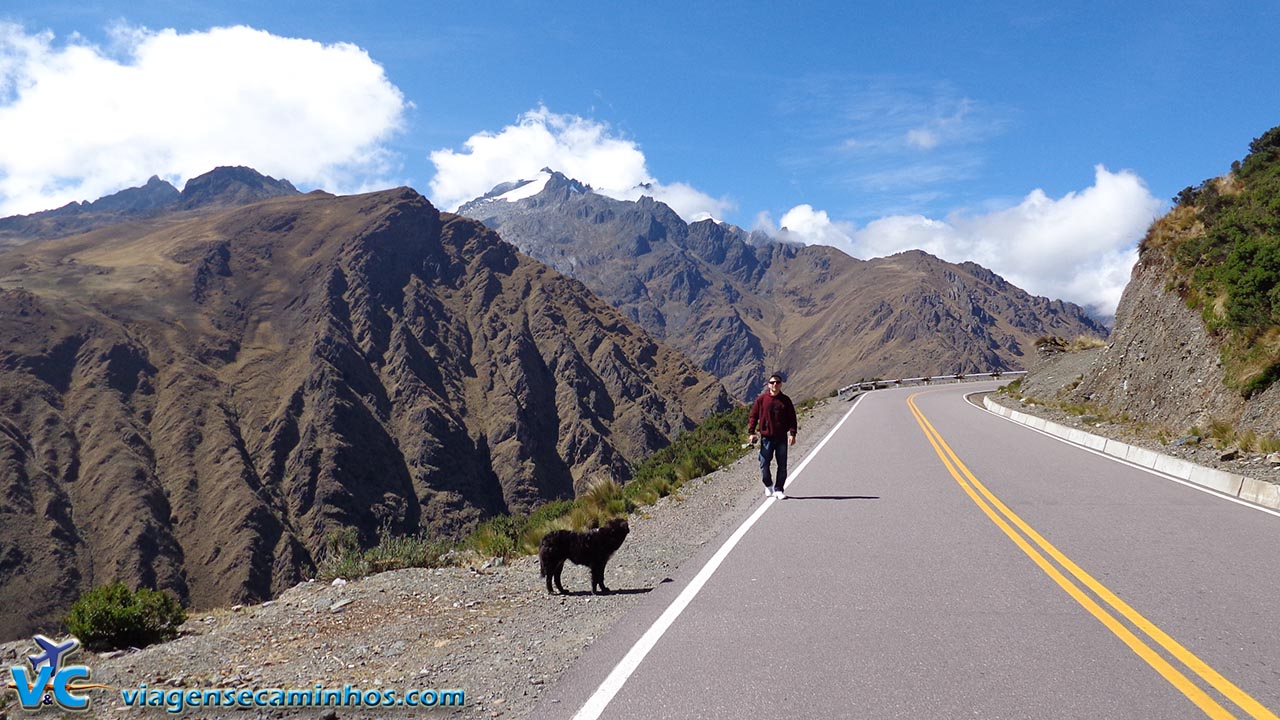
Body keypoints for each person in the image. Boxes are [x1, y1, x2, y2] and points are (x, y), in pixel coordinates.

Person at [747, 373, 798, 499]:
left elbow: (792, 418)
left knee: (782, 464)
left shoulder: (785, 400)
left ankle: (779, 489)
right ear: (768, 384)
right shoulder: (761, 400)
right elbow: (753, 416)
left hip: (781, 437)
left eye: (777, 382)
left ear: (781, 384)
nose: (775, 384)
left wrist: (792, 434)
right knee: (764, 463)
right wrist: (751, 432)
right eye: (772, 382)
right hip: (766, 438)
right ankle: (768, 484)